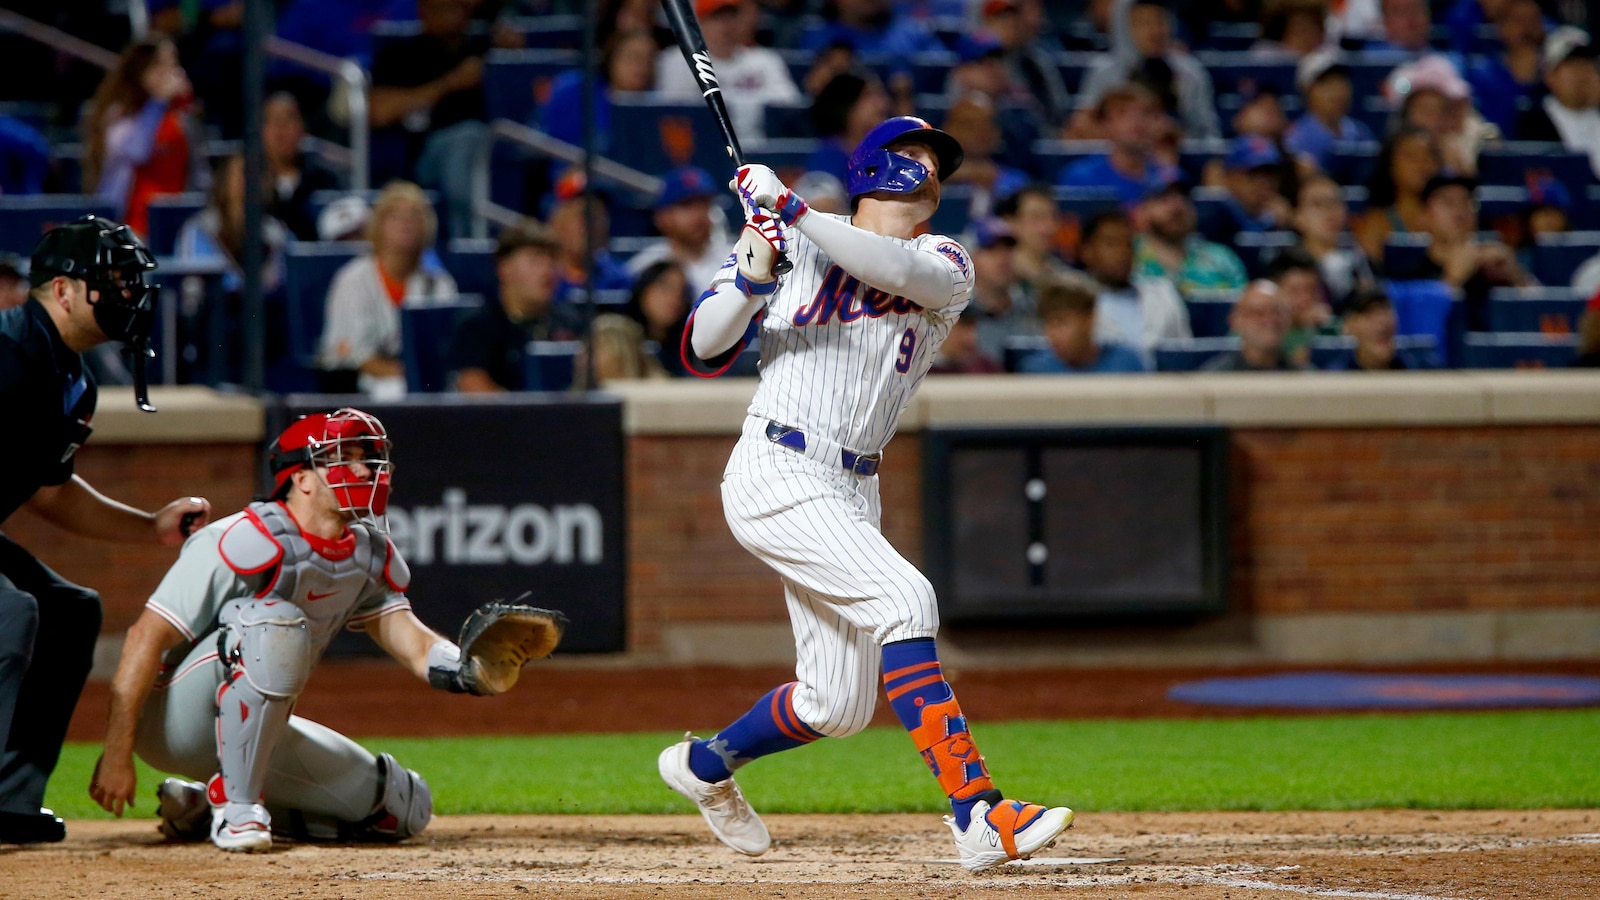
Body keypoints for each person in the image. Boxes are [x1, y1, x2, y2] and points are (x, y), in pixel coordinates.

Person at [663, 116, 1074, 871]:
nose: (927, 168)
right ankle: (978, 813)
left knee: (836, 706)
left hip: (854, 485)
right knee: (906, 601)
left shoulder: (944, 259)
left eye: (936, 161)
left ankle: (704, 764)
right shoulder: (788, 246)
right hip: (777, 465)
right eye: (911, 153)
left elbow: (892, 271)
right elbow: (701, 347)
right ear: (870, 167)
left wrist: (793, 211)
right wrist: (752, 276)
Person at [87, 409, 565, 852]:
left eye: (367, 458)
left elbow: (413, 642)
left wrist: (466, 669)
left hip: (254, 732)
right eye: (343, 458)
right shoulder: (239, 539)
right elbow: (145, 637)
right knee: (274, 622)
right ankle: (237, 810)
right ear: (300, 479)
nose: (364, 470)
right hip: (172, 721)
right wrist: (116, 752)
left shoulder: (367, 553)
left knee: (401, 807)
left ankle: (199, 805)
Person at [1, 218, 212, 844]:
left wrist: (149, 526)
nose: (128, 293)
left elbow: (49, 489)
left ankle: (9, 799)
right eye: (112, 281)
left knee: (69, 611)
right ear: (63, 290)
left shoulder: (72, 379)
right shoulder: (7, 352)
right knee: (9, 614)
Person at [319, 181, 459, 399]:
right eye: (395, 217)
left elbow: (446, 348)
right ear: (379, 225)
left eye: (415, 216)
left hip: (426, 386)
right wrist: (404, 375)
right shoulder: (353, 279)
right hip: (359, 387)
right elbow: (351, 354)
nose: (406, 225)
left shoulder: (439, 282)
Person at [369, 0, 491, 240]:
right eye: (442, 8)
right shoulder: (403, 55)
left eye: (458, 7)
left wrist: (514, 52)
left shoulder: (485, 49)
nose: (452, 14)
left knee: (475, 138)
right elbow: (379, 112)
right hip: (424, 157)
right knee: (467, 138)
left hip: (490, 148)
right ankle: (467, 241)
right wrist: (450, 83)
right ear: (423, 11)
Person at [1388, 173, 1536, 332]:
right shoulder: (1407, 271)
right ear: (1425, 215)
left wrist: (1517, 276)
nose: (1459, 210)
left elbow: (1543, 316)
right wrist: (1453, 280)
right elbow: (1411, 328)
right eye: (1448, 202)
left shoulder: (1491, 270)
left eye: (1467, 201)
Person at [82, 36, 197, 237]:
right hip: (128, 222)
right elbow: (137, 150)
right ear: (141, 70)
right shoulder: (118, 113)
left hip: (174, 217)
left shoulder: (176, 113)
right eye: (160, 66)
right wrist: (158, 102)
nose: (171, 74)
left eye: (173, 65)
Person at [447, 220, 578, 392]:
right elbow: (474, 387)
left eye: (552, 261)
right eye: (535, 261)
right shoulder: (477, 327)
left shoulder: (572, 322)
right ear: (505, 268)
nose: (547, 271)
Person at [653, 0, 799, 142]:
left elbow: (788, 105)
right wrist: (750, 104)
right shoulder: (679, 60)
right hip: (704, 146)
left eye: (731, 17)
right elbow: (676, 113)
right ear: (699, 23)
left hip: (758, 146)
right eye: (717, 18)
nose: (726, 25)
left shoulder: (766, 60)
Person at [1078, 0, 1221, 140]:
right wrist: (1130, 135)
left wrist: (1176, 136)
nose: (1154, 31)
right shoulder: (1103, 73)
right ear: (1125, 28)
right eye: (1144, 23)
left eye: (1160, 21)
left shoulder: (1191, 72)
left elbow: (1209, 135)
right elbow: (1081, 129)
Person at [1078, 208, 1191, 365]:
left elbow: (1184, 356)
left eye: (1128, 244)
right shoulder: (1073, 302)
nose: (1123, 252)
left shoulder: (1164, 295)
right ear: (1087, 251)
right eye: (1111, 244)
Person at [175, 155, 292, 296]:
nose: (249, 181)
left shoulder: (277, 234)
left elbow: (291, 290)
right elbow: (190, 290)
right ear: (225, 181)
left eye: (257, 174)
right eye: (242, 173)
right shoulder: (198, 231)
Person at [538, 28, 658, 156]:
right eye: (634, 57)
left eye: (649, 60)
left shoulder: (657, 107)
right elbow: (553, 149)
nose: (642, 67)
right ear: (611, 58)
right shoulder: (575, 92)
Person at [1058, 84, 1178, 206]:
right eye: (1123, 114)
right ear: (1106, 123)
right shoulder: (1081, 178)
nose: (1136, 121)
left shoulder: (1171, 176)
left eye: (1144, 113)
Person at [1132, 182, 1248, 303]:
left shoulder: (1221, 258)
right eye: (1163, 199)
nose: (1177, 207)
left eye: (1184, 197)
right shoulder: (1130, 255)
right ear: (1141, 211)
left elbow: (1244, 306)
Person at [626, 167, 733, 295]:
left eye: (704, 204)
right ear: (662, 216)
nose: (698, 215)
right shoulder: (643, 268)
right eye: (686, 205)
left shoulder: (735, 262)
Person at [1018, 273, 1146, 374]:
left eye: (1062, 322)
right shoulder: (1035, 370)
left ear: (1089, 319)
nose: (1052, 333)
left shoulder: (1127, 364)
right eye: (1048, 323)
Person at [1518, 27, 1600, 180]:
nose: (1582, 73)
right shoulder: (1535, 121)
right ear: (1550, 76)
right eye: (1572, 65)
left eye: (1587, 64)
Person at [1355, 127, 1443, 266]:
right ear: (1390, 165)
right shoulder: (1376, 223)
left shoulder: (1450, 217)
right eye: (1411, 156)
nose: (1422, 163)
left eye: (1429, 155)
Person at [262, 93, 343, 242]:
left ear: (303, 129)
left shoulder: (324, 181)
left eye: (289, 118)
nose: (281, 127)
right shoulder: (245, 182)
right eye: (273, 119)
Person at [1291, 173, 1375, 312]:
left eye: (1335, 202)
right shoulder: (1289, 266)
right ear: (1297, 216)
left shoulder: (1359, 260)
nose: (1330, 211)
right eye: (1318, 204)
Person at [1463, 0, 1547, 137]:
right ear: (1501, 27)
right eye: (1519, 20)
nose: (1527, 27)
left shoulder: (1554, 75)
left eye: (1533, 20)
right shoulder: (1481, 75)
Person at [1285, 50, 1376, 174]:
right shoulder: (1296, 139)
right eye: (1326, 83)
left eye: (1341, 81)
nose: (1336, 90)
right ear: (1306, 91)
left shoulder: (1361, 132)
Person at [965, 218, 1039, 360]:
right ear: (971, 258)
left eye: (1009, 249)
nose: (1003, 259)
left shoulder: (1031, 307)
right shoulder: (957, 311)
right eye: (991, 249)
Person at [1198, 136, 1291, 248]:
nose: (1265, 184)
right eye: (1254, 175)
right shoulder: (1213, 217)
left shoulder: (1277, 219)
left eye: (1271, 176)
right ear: (1230, 176)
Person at [806, 70, 893, 184]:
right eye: (868, 95)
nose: (883, 104)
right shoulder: (828, 159)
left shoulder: (887, 158)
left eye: (881, 95)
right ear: (845, 105)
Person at [1200, 280, 1306, 371]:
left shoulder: (1306, 378)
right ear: (1236, 320)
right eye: (1258, 312)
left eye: (1277, 312)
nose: (1270, 320)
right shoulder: (1214, 379)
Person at [1330, 287, 1443, 369]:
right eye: (1369, 314)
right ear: (1349, 325)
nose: (1382, 321)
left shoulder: (1424, 370)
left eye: (1386, 311)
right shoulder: (1334, 379)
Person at [1268, 248, 1339, 367]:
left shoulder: (1329, 328)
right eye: (1295, 291)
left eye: (1311, 290)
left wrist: (1325, 328)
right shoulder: (1261, 328)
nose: (1305, 299)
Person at [626, 260, 692, 377]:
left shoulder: (692, 349)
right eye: (666, 288)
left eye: (682, 291)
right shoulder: (620, 339)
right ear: (644, 289)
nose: (675, 297)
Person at [572, 313, 668, 389]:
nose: (581, 356)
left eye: (593, 349)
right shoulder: (580, 394)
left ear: (622, 354)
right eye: (585, 348)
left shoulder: (660, 391)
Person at [929, 308, 1004, 374]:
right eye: (962, 328)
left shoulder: (986, 367)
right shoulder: (923, 370)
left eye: (972, 328)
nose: (970, 338)